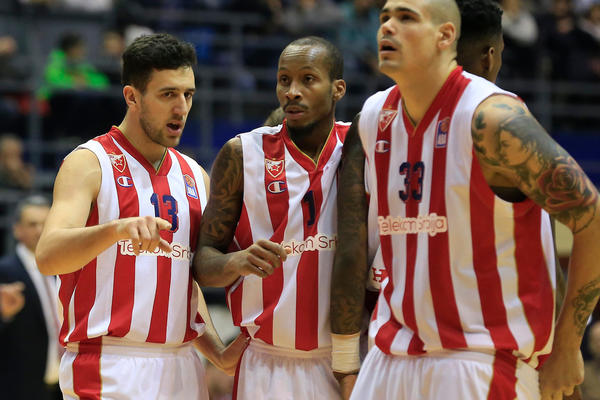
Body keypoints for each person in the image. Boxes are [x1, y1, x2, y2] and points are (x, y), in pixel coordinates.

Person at [330, 0, 600, 399]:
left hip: (478, 358)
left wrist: (567, 345)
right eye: (385, 17)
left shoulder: (493, 118)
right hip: (389, 355)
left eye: (405, 18)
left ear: (445, 36)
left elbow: (592, 217)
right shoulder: (374, 115)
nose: (387, 27)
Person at [35, 33, 246, 400]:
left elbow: (184, 278)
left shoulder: (196, 175)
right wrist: (115, 230)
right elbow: (48, 255)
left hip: (182, 365)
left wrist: (217, 352)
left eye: (188, 94)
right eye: (168, 94)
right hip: (108, 362)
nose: (181, 107)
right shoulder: (89, 162)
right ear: (132, 97)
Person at [193, 36, 348, 399]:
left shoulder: (360, 148)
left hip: (345, 360)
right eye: (283, 80)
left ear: (338, 88)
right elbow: (202, 262)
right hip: (267, 363)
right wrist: (237, 261)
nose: (292, 91)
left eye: (307, 79)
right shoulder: (241, 153)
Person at [0, 195, 62, 400]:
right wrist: (4, 315)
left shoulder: (63, 269)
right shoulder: (4, 271)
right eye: (32, 224)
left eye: (45, 224)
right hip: (20, 387)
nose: (39, 230)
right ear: (17, 229)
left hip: (62, 384)